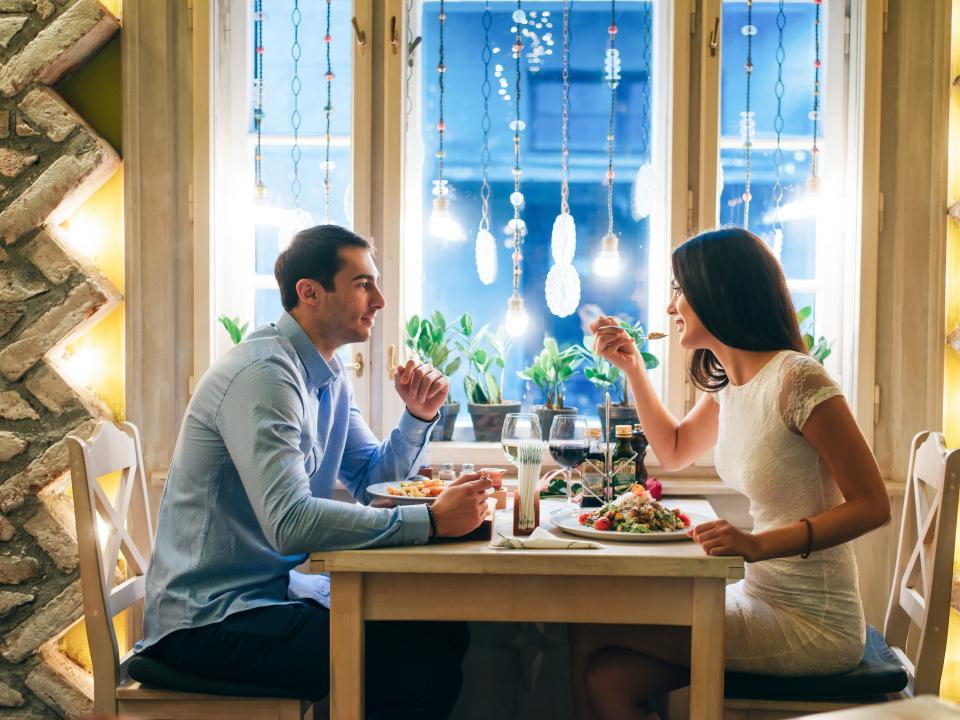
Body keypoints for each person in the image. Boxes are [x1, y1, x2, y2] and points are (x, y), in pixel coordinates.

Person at [139, 224, 490, 719]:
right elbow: (290, 524)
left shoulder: (326, 373)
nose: (381, 300)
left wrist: (417, 418)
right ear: (310, 292)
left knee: (439, 630)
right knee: (414, 663)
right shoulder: (265, 376)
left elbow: (371, 479)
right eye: (363, 284)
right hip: (207, 621)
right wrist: (431, 521)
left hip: (267, 598)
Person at [570, 227, 891, 720]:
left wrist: (759, 544)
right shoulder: (731, 384)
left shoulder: (798, 378)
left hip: (813, 621)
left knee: (590, 624)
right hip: (757, 595)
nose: (671, 307)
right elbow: (674, 450)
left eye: (680, 290)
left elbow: (873, 504)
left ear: (719, 293)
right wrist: (634, 370)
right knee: (607, 678)